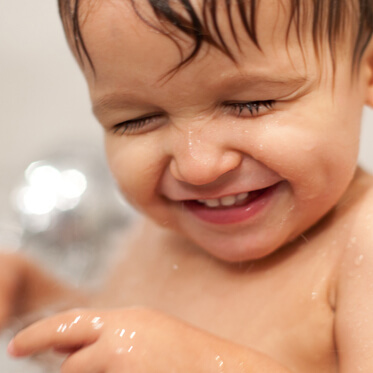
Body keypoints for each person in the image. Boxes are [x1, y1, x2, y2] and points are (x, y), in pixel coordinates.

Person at [3, 0, 373, 371]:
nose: (197, 168)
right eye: (137, 120)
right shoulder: (171, 227)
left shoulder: (362, 244)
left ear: (367, 72)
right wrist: (31, 301)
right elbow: (123, 351)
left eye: (251, 103)